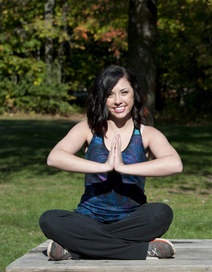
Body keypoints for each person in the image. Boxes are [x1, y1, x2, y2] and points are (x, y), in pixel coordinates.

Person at [39, 66, 183, 261]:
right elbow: (54, 157)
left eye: (124, 92)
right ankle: (140, 250)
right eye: (110, 95)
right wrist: (105, 166)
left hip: (133, 220)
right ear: (102, 99)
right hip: (89, 220)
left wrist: (123, 167)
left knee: (161, 213)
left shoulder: (147, 134)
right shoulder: (88, 129)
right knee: (49, 220)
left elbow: (175, 164)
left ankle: (77, 249)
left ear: (134, 94)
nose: (118, 101)